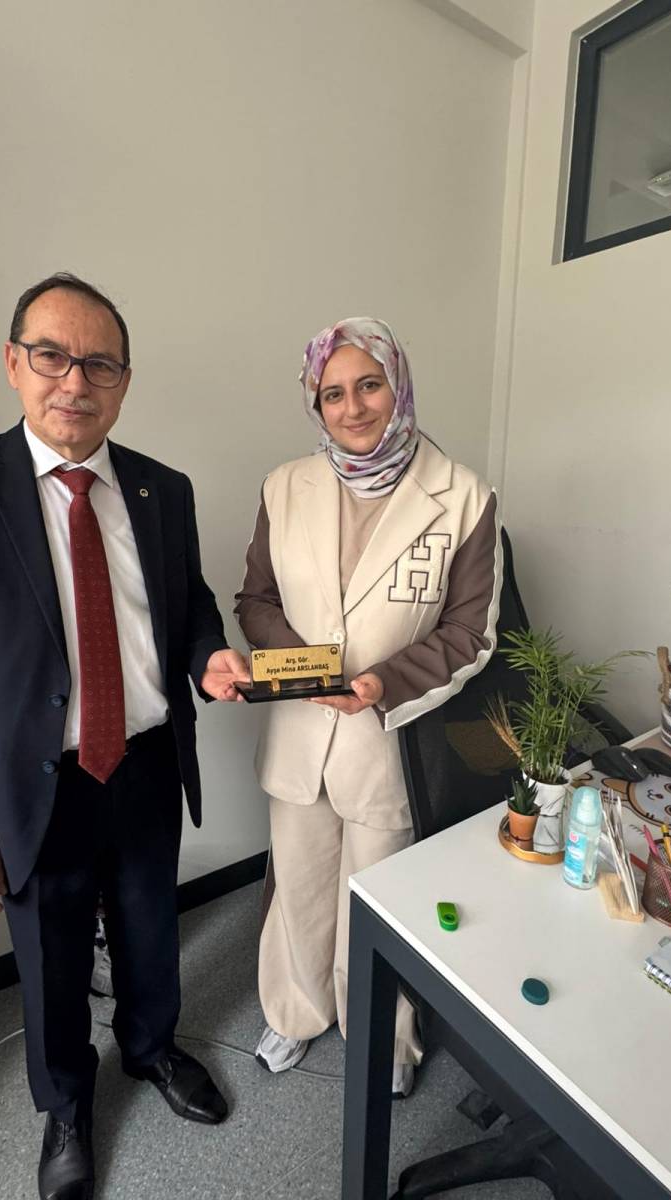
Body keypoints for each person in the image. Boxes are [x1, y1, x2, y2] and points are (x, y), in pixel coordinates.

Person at [0, 273, 249, 1200]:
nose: (74, 382)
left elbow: (189, 604)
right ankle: (65, 1105)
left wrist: (207, 654)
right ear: (14, 363)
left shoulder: (164, 488)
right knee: (49, 957)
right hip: (30, 781)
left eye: (100, 364)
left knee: (151, 926)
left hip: (146, 760)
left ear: (125, 381)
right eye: (52, 356)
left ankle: (152, 1047)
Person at [235, 317, 501, 1097]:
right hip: (298, 731)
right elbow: (256, 600)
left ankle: (386, 1040)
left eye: (369, 385)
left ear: (399, 385)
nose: (352, 408)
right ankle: (295, 1010)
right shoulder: (285, 486)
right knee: (299, 882)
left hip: (390, 738)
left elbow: (471, 633)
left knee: (379, 900)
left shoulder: (464, 496)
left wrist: (386, 681)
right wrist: (300, 668)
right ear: (315, 404)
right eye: (333, 393)